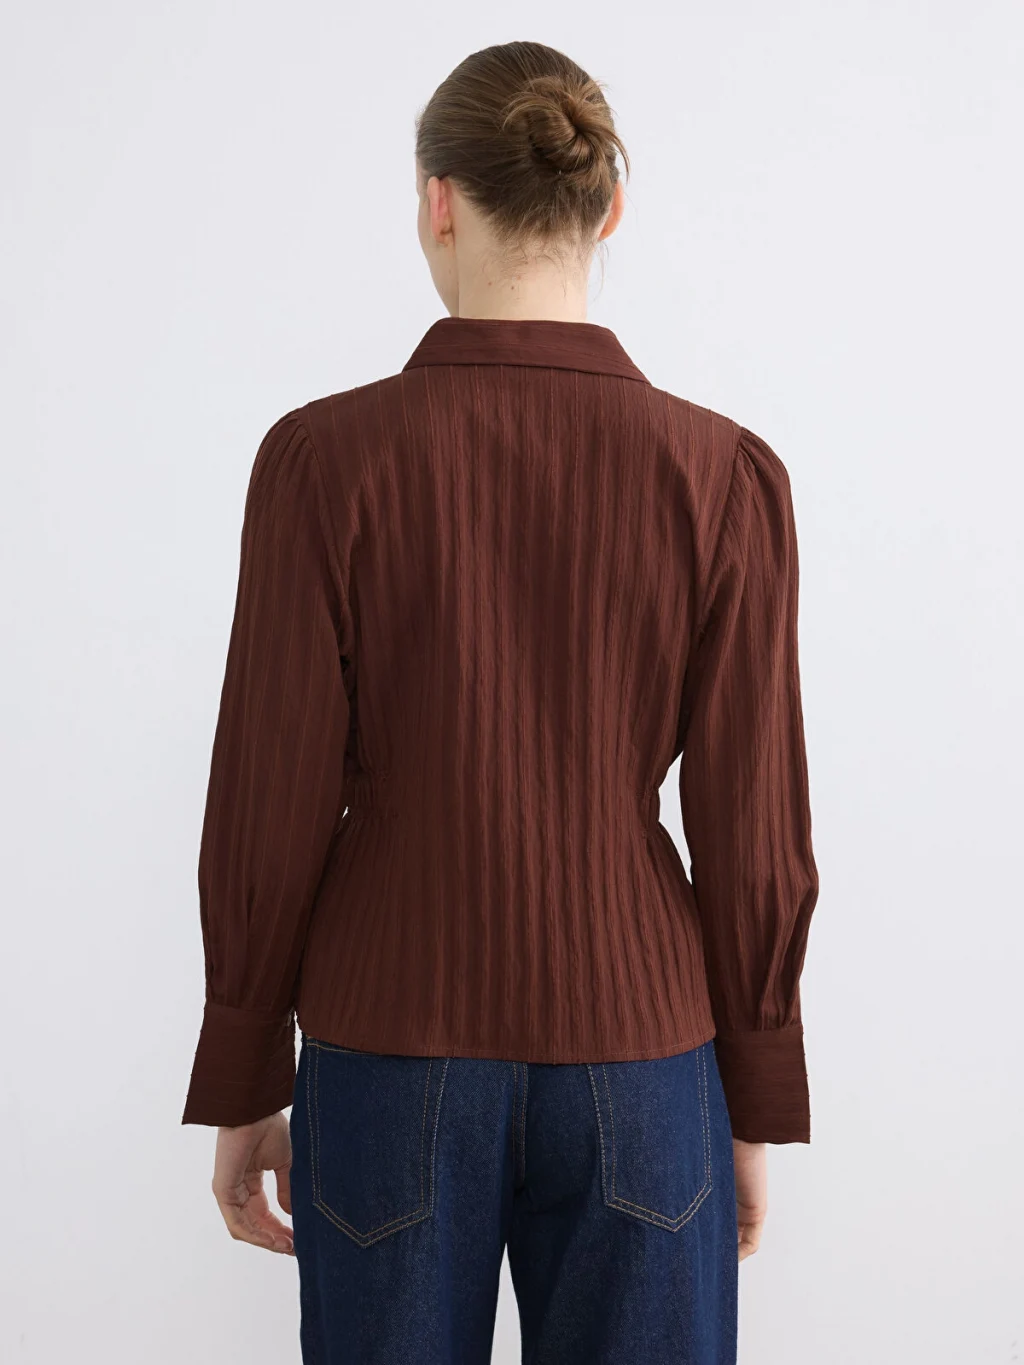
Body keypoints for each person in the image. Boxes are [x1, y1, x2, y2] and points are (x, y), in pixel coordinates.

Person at [181, 39, 820, 1365]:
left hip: (386, 1040)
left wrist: (244, 1069)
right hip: (643, 1057)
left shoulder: (321, 463)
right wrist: (752, 1096)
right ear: (611, 208)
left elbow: (267, 796)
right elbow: (753, 822)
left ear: (438, 202)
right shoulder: (724, 477)